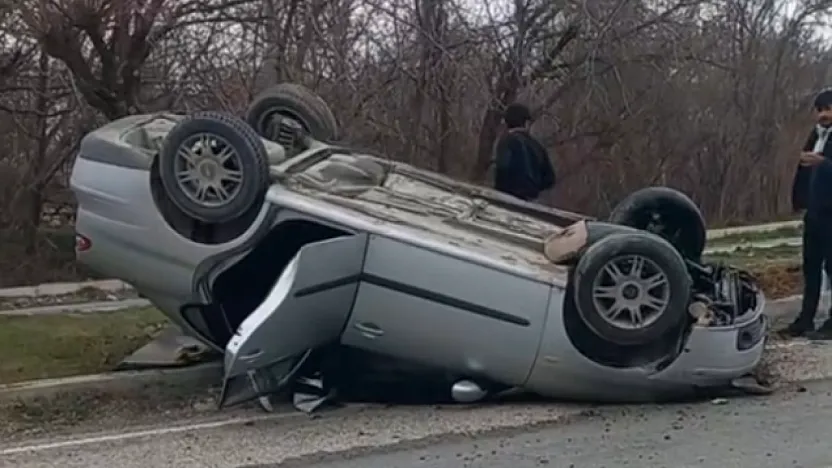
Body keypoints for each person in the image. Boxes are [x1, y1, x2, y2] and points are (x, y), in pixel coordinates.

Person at [786, 89, 832, 338]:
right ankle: (806, 319)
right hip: (814, 213)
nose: (824, 114)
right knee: (810, 267)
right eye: (820, 109)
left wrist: (823, 163)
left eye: (828, 108)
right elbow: (804, 167)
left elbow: (821, 164)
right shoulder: (816, 135)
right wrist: (799, 199)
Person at [493, 103, 555, 202]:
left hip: (507, 198)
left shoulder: (506, 142)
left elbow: (502, 169)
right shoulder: (536, 145)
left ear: (506, 122)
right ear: (526, 122)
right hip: (531, 200)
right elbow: (549, 179)